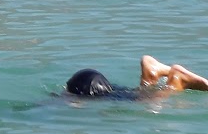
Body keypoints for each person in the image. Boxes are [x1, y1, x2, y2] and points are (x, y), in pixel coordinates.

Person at [67, 56, 208, 98]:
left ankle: (177, 81)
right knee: (137, 93)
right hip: (92, 80)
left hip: (86, 88)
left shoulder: (68, 98)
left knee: (149, 103)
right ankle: (152, 71)